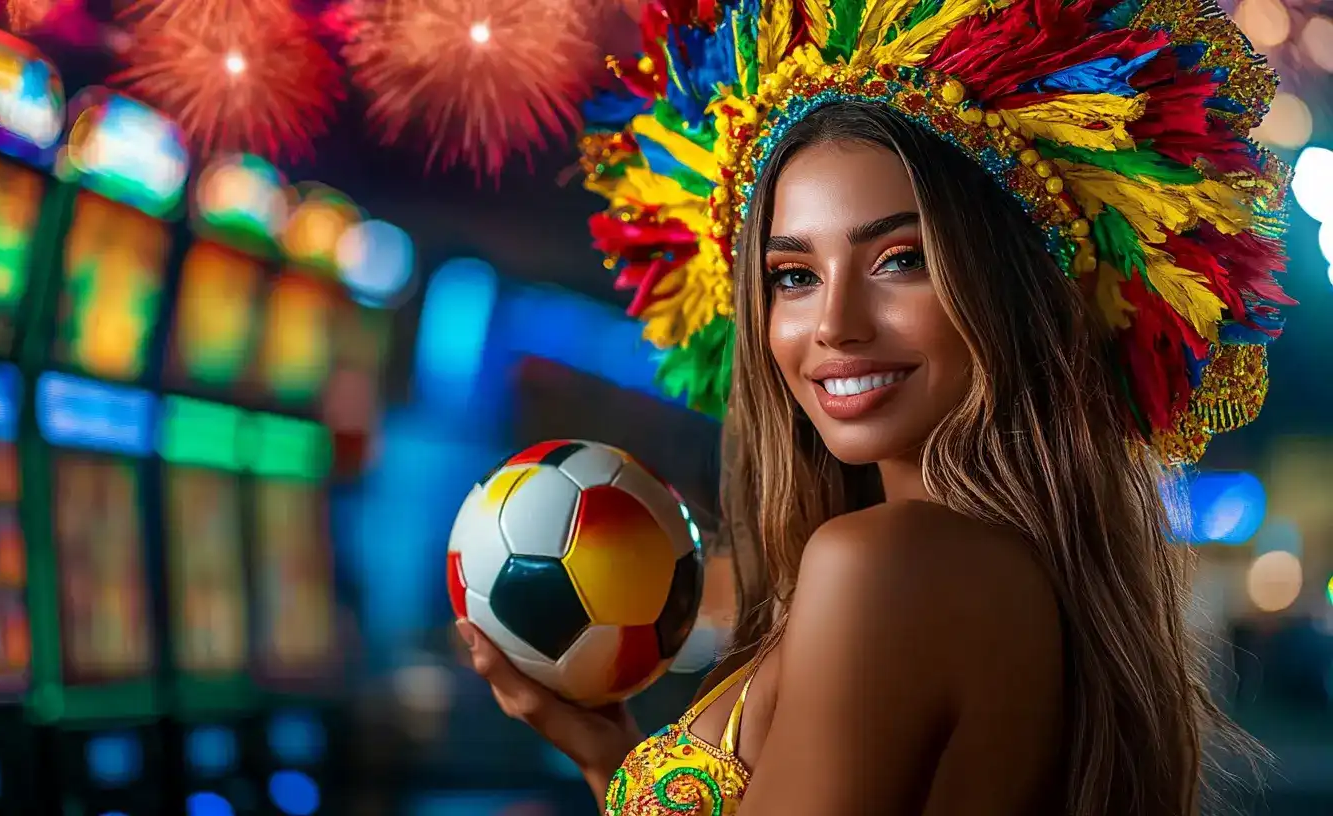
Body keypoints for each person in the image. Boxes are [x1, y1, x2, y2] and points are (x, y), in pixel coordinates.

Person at [456, 0, 1294, 813]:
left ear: (1005, 288)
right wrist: (608, 757)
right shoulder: (1011, 571)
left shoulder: (884, 563)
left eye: (900, 260)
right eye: (794, 276)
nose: (834, 326)